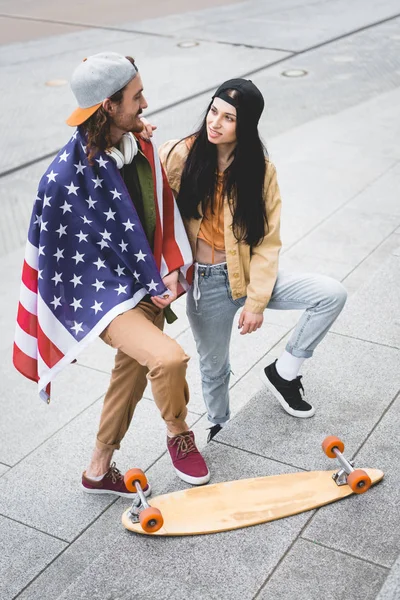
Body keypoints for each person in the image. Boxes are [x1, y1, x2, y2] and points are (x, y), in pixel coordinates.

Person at [13, 52, 210, 497]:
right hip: (106, 299)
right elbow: (68, 265)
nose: (145, 104)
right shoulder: (63, 179)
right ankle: (179, 433)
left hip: (147, 281)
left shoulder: (135, 144)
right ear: (107, 105)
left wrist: (166, 271)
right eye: (136, 97)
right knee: (167, 359)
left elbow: (153, 209)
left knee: (132, 372)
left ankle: (97, 471)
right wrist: (141, 283)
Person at [158, 78, 348, 442]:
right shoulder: (180, 154)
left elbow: (266, 241)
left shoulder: (260, 170)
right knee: (215, 369)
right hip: (207, 285)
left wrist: (257, 302)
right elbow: (149, 204)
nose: (215, 122)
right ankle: (221, 427)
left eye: (228, 118)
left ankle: (285, 373)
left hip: (246, 275)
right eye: (213, 111)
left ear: (244, 125)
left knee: (330, 294)